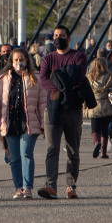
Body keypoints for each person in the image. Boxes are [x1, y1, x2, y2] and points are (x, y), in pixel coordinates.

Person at [37, 25, 89, 200]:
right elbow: (43, 80)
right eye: (56, 35)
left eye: (62, 35)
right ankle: (51, 186)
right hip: (52, 109)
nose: (58, 38)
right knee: (52, 149)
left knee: (73, 150)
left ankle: (70, 186)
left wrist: (57, 79)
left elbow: (79, 77)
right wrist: (64, 85)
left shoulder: (78, 56)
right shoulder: (48, 58)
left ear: (68, 38)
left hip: (73, 109)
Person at [0, 48, 47, 199]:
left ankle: (28, 187)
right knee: (14, 157)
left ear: (27, 60)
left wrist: (44, 124)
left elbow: (42, 102)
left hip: (29, 122)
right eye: (15, 60)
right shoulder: (3, 78)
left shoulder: (35, 77)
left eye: (21, 59)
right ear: (11, 61)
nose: (18, 63)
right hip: (10, 122)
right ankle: (18, 187)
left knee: (26, 153)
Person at [84, 57, 112, 159]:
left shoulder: (89, 77)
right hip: (107, 106)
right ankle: (103, 152)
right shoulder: (109, 77)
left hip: (93, 105)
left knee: (94, 128)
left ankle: (96, 142)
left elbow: (84, 91)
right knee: (104, 129)